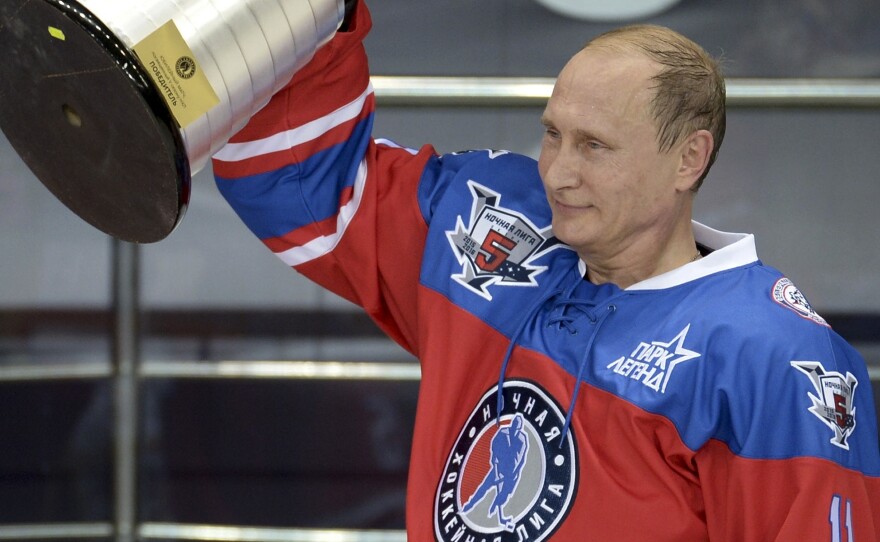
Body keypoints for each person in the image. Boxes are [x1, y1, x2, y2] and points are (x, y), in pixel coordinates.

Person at [212, 1, 880, 539]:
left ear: (689, 159)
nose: (558, 172)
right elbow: (298, 182)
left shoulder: (776, 357)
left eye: (595, 146)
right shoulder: (489, 227)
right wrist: (293, 14)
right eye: (553, 133)